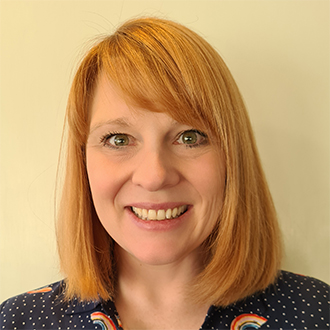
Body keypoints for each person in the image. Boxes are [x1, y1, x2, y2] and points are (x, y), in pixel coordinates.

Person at [0, 17, 329, 330]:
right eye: (118, 139)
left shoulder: (316, 314)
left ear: (232, 157)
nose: (154, 176)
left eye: (189, 137)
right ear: (82, 161)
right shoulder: (18, 321)